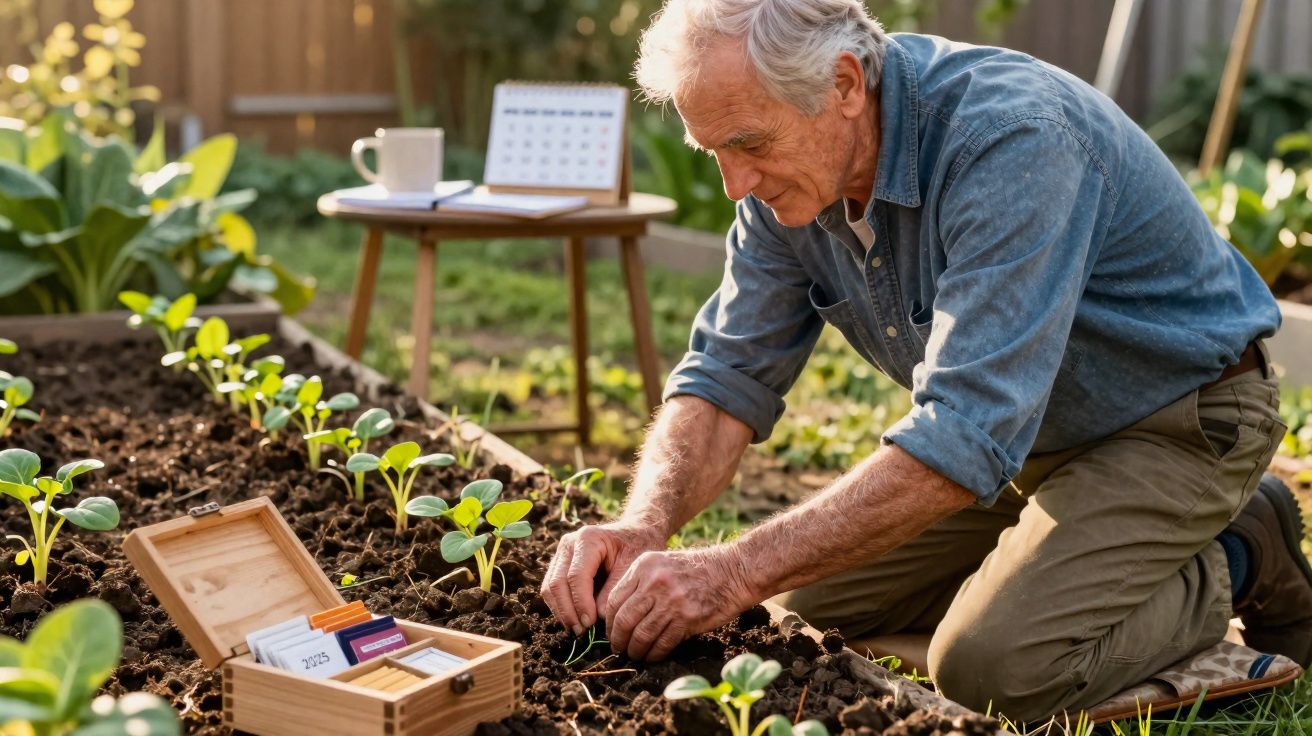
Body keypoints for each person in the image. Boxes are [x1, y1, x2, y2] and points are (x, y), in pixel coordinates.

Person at [541, 0, 1312, 719]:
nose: (734, 183)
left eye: (748, 144)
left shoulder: (1011, 140)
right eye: (714, 152)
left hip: (1176, 423)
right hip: (1030, 442)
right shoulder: (785, 186)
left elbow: (962, 433)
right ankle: (1077, 561)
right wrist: (644, 523)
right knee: (807, 611)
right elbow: (724, 378)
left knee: (993, 668)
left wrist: (732, 570)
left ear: (843, 83)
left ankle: (1240, 550)